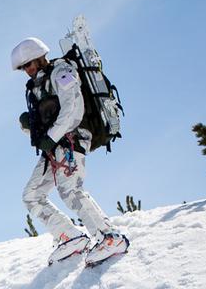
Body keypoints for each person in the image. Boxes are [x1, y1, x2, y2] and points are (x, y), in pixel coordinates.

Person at [12, 36, 130, 266]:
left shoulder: (62, 71)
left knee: (70, 190)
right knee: (32, 195)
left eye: (28, 64)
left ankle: (110, 237)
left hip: (73, 138)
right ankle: (71, 237)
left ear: (39, 57)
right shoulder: (35, 87)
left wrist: (51, 137)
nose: (27, 71)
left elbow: (72, 108)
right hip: (53, 146)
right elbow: (46, 123)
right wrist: (29, 128)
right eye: (23, 68)